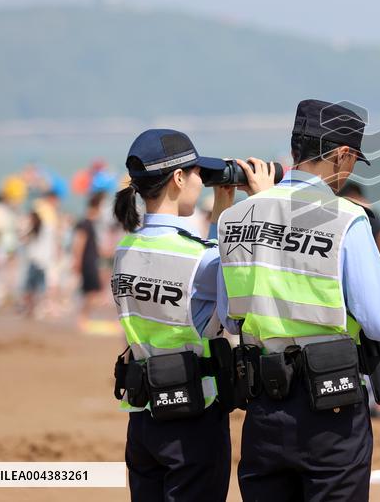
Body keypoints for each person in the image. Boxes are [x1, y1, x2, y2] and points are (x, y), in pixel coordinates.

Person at [216, 99, 380, 501]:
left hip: (264, 403)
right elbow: (378, 322)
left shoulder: (235, 218)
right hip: (331, 407)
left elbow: (228, 317)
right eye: (352, 162)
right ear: (342, 154)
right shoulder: (345, 217)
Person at [111, 128, 267, 501]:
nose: (202, 181)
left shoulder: (125, 250)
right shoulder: (200, 259)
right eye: (199, 173)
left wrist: (221, 209)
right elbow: (234, 313)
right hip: (194, 417)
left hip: (144, 414)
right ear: (179, 178)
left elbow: (202, 262)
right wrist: (261, 203)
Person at [72, 191, 105, 323]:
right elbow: (79, 242)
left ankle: (84, 316)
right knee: (92, 291)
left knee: (92, 291)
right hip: (87, 261)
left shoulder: (92, 223)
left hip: (91, 260)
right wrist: (77, 261)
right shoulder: (85, 223)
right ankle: (83, 317)